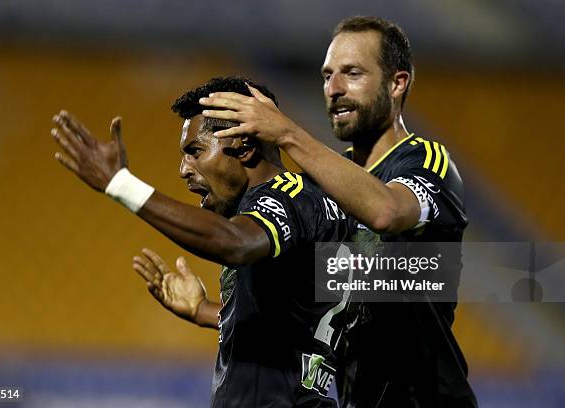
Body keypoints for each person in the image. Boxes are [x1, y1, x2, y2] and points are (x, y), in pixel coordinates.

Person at [198, 16, 477, 408]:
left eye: (353, 73)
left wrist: (287, 133)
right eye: (327, 75)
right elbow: (313, 315)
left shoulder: (427, 162)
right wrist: (206, 312)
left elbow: (385, 210)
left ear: (398, 83)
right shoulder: (319, 187)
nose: (334, 89)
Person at [51, 76, 354, 407]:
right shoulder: (309, 205)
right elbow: (296, 317)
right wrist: (206, 311)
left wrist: (121, 185)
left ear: (244, 145)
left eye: (195, 151)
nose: (184, 169)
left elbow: (236, 243)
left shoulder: (286, 199)